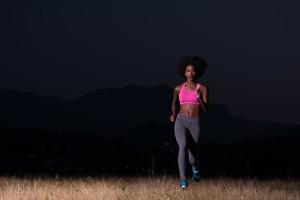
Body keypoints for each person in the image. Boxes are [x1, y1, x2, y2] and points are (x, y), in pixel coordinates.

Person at [170, 55, 209, 189]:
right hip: (181, 121)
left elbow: (206, 109)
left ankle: (195, 169)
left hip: (194, 122)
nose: (190, 73)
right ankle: (182, 180)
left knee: (192, 156)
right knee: (183, 146)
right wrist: (173, 115)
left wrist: (200, 99)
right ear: (184, 73)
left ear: (196, 72)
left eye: (192, 70)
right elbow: (174, 104)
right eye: (187, 70)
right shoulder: (177, 88)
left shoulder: (202, 88)